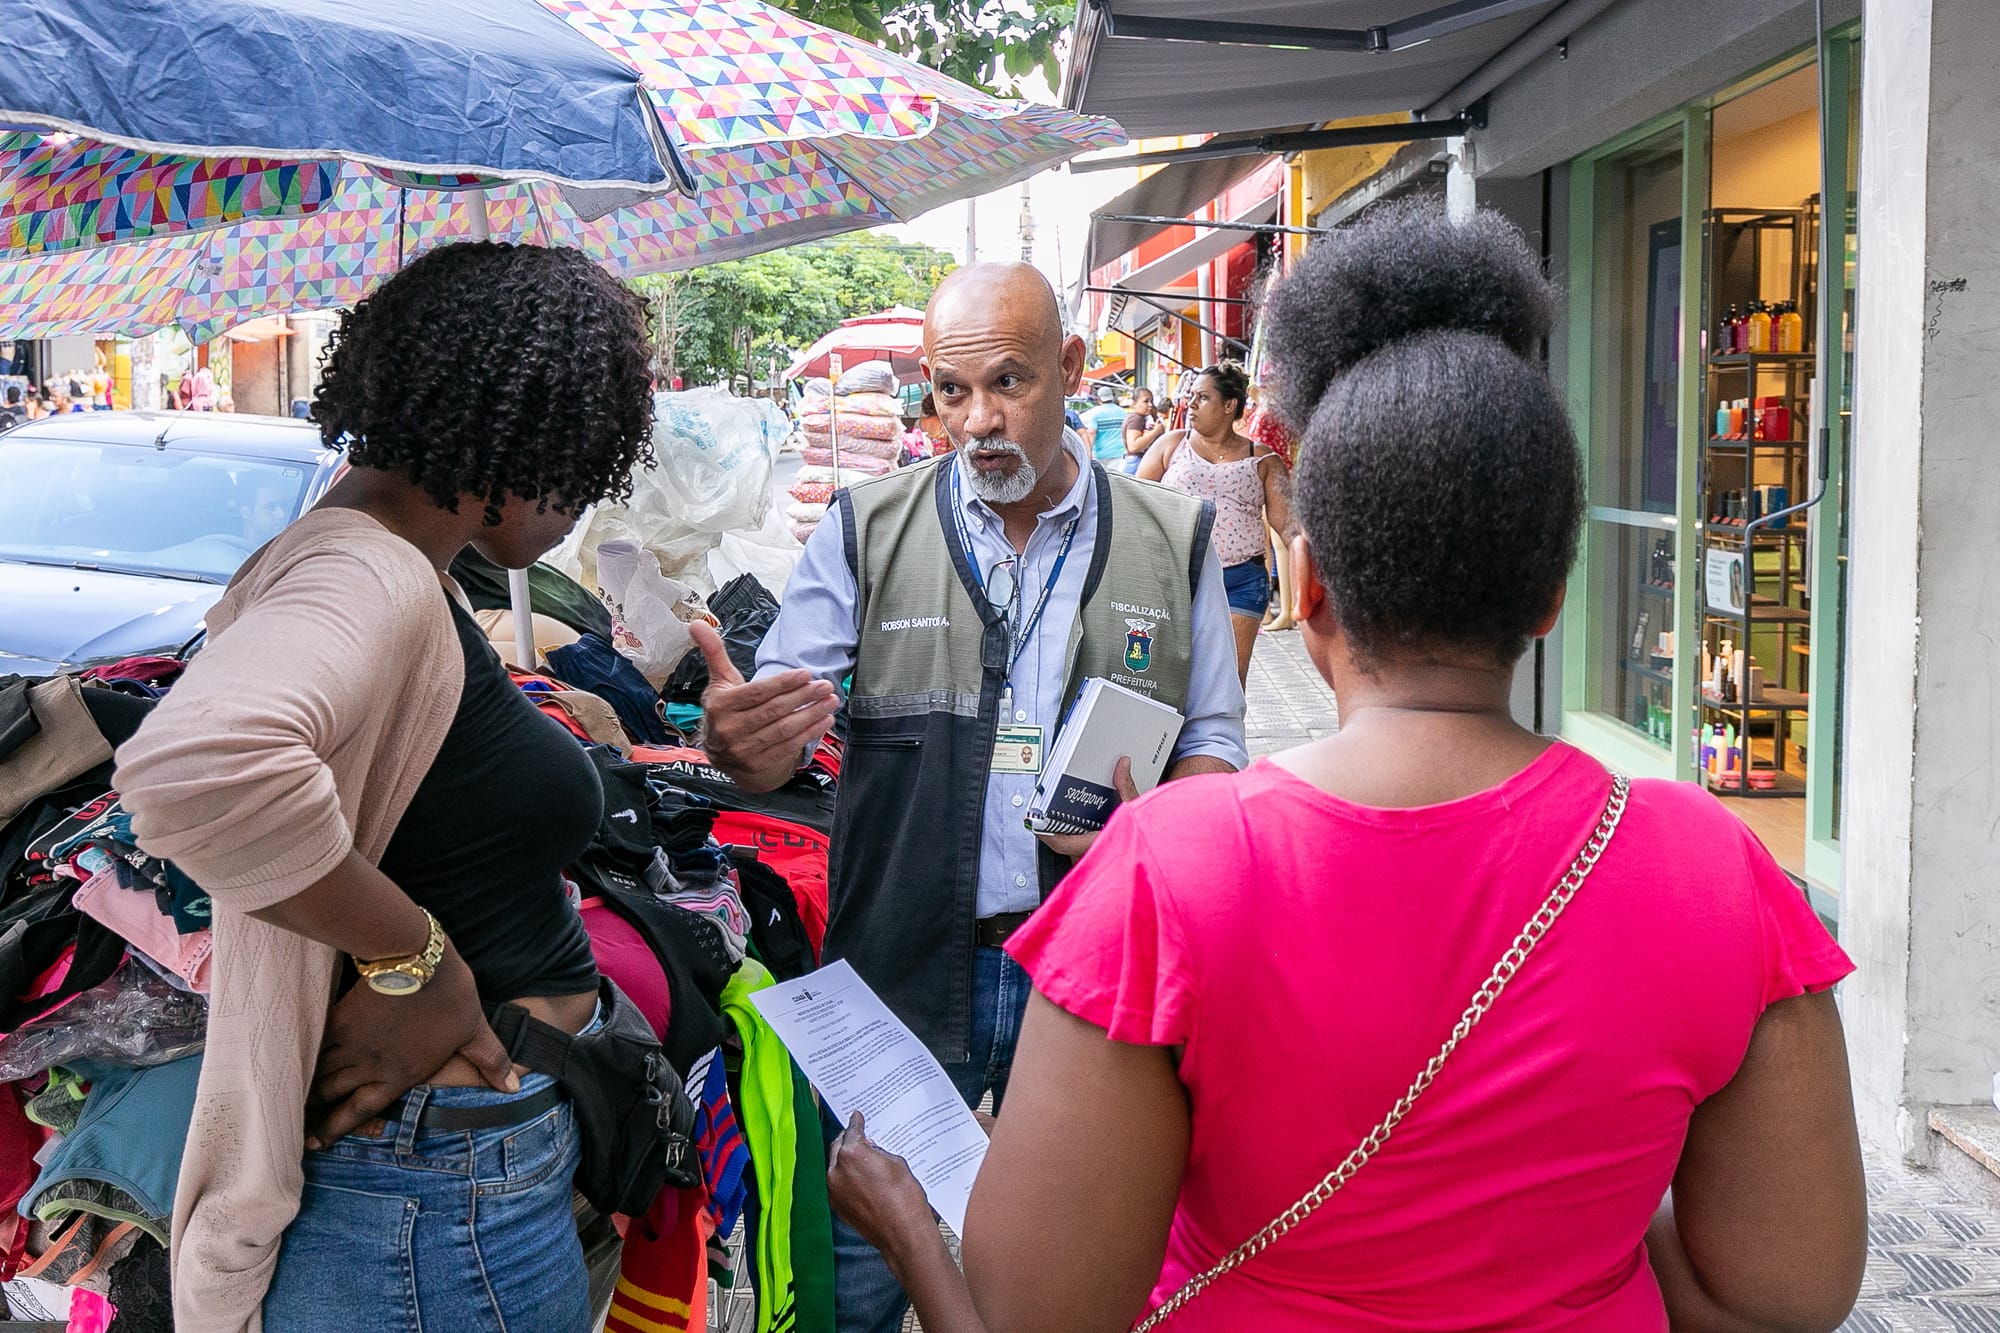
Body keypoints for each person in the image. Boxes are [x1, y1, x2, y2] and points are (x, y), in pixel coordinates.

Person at [822, 203, 1866, 1333]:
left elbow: (1036, 1320)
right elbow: (1784, 1291)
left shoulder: (1169, 869)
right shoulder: (1709, 862)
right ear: (1551, 597)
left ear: (1303, 585)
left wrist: (910, 1229)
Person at [113, 242, 656, 1333]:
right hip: (434, 1197)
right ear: (524, 436)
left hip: (440, 1182)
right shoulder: (367, 569)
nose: (578, 505)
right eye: (586, 457)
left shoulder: (379, 560)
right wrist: (417, 959)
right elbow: (196, 768)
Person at [695, 260, 1247, 1333]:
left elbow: (1216, 743)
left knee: (1070, 1283)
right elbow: (769, 738)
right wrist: (738, 749)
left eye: (1010, 382)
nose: (978, 420)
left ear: (1072, 370)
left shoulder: (1167, 536)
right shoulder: (866, 529)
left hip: (1090, 982)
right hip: (899, 966)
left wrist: (1165, 827)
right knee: (856, 1269)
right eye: (950, 393)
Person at [1137, 362, 1295, 683]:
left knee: (1229, 679)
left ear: (1229, 405)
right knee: (1174, 679)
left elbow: (1291, 529)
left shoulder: (1262, 460)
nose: (1191, 404)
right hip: (1177, 579)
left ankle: (1223, 734)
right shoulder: (1171, 445)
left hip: (1240, 582)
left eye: (1202, 397)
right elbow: (1135, 503)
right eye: (1191, 396)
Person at [1079, 382, 1128, 465]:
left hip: (1101, 454)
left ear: (1099, 399)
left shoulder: (1096, 414)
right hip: (1119, 453)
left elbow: (1092, 433)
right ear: (1112, 397)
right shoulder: (1123, 412)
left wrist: (1088, 452)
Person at [1121, 386, 1165, 475]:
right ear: (1134, 404)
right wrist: (1156, 432)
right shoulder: (1136, 418)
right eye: (1146, 401)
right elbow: (1134, 446)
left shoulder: (1141, 418)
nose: (1150, 405)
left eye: (1151, 401)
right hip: (1136, 463)